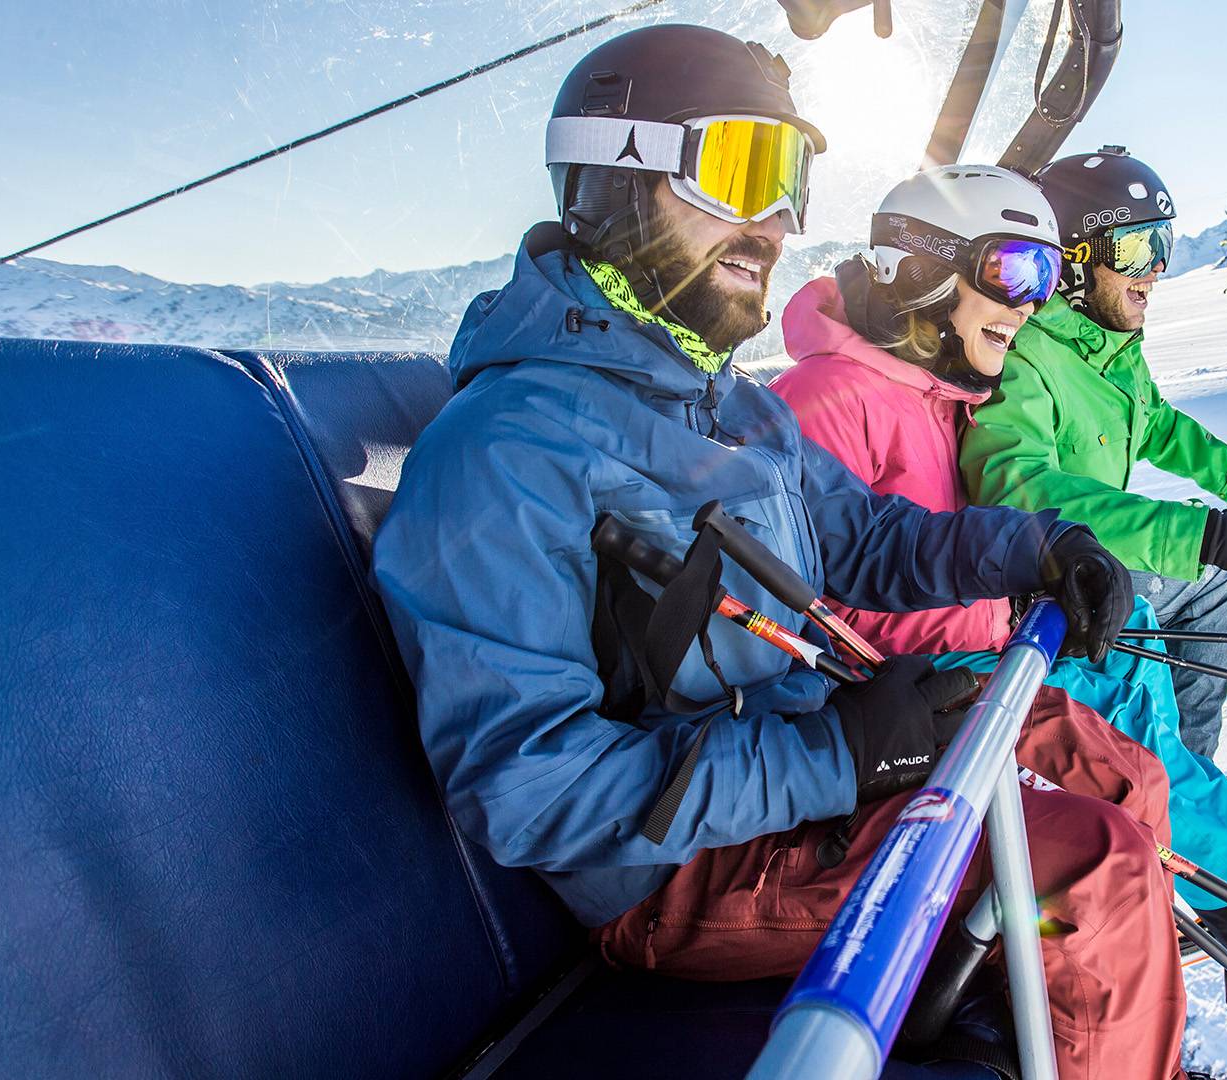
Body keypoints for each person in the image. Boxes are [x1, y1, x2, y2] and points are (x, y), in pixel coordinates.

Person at [370, 25, 1186, 1080]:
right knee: (1094, 866)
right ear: (612, 178)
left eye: (788, 178)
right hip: (678, 870)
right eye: (739, 171)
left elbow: (870, 538)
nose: (775, 220)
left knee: (1103, 763)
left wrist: (1033, 549)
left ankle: (1111, 1036)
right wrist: (837, 758)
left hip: (803, 763)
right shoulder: (505, 452)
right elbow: (529, 790)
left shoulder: (730, 403)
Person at [769, 165, 1227, 930]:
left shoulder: (940, 386)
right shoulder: (829, 399)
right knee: (1130, 759)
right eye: (1013, 270)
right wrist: (1021, 589)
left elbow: (1144, 430)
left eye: (1039, 277)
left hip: (1012, 628)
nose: (1027, 304)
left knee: (1145, 687)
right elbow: (835, 593)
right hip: (949, 681)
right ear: (924, 269)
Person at [959, 146, 1227, 759]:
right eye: (1137, 249)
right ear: (1071, 262)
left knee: (1222, 581)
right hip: (1044, 584)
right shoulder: (1026, 353)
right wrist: (1210, 536)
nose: (1156, 270)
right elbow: (1016, 491)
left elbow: (1157, 424)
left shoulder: (1111, 345)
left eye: (1162, 244)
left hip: (1096, 558)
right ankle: (1168, 774)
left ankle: (1190, 768)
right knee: (1216, 571)